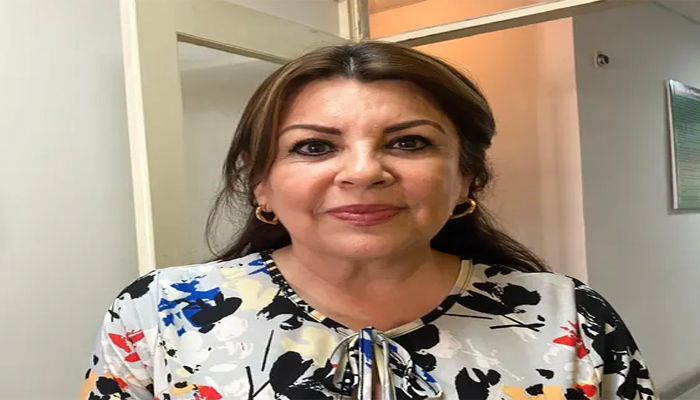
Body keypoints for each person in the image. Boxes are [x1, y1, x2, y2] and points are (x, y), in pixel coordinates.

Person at [80, 42, 657, 400]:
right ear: (261, 184)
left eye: (409, 142)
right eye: (313, 147)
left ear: (466, 178)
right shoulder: (158, 315)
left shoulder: (569, 318)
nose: (362, 172)